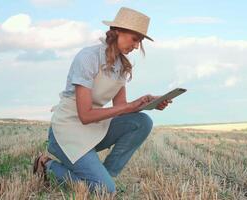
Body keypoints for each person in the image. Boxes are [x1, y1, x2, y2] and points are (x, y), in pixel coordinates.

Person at [33, 7, 172, 193]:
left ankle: (104, 177)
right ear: (117, 32)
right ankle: (48, 166)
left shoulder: (122, 65)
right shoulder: (88, 57)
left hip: (93, 129)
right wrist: (130, 106)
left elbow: (121, 108)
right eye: (135, 39)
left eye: (140, 41)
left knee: (142, 122)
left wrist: (146, 104)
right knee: (105, 191)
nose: (137, 46)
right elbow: (85, 115)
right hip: (67, 131)